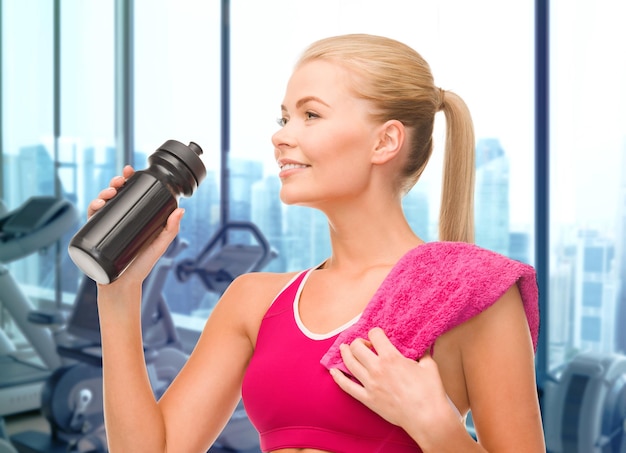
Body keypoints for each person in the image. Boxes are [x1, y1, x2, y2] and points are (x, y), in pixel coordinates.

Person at [90, 34, 545, 452]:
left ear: (384, 141)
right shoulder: (252, 302)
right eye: (284, 117)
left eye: (310, 115)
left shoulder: (471, 294)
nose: (280, 135)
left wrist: (436, 425)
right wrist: (118, 294)